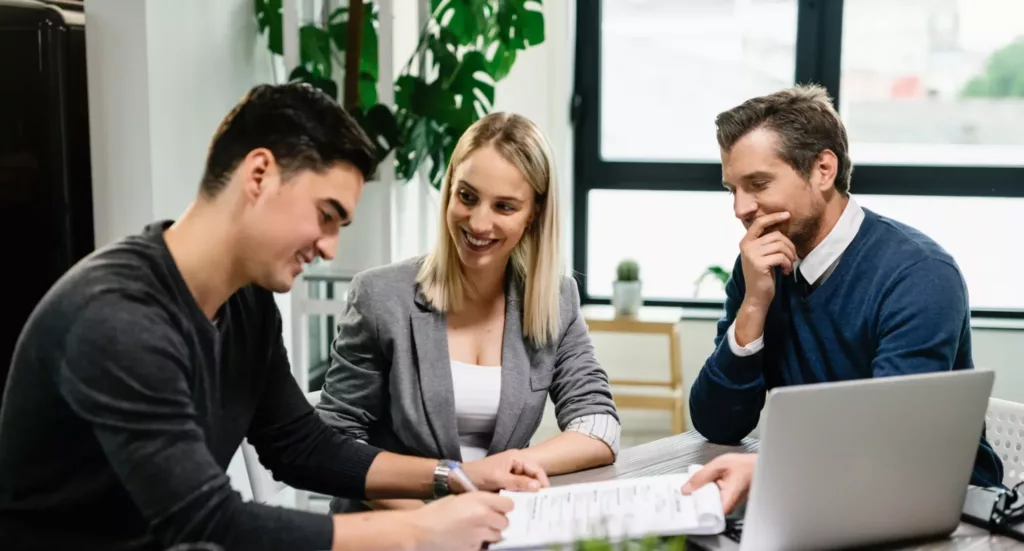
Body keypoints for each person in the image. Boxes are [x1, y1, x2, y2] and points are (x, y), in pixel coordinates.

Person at [0, 83, 548, 551]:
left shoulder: (246, 302)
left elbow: (299, 446)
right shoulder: (117, 317)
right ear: (259, 174)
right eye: (326, 216)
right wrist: (415, 530)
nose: (330, 248)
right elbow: (205, 518)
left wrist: (452, 477)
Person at [687, 84, 1003, 488]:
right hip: (821, 489)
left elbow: (892, 439)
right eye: (733, 190)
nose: (740, 209)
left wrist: (771, 471)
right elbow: (717, 424)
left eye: (759, 184)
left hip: (943, 501)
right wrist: (753, 307)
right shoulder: (759, 270)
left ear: (823, 170)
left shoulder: (919, 274)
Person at [315, 112, 620, 513]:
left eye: (505, 207)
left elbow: (598, 426)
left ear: (534, 215)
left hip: (496, 527)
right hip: (394, 525)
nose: (479, 222)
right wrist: (436, 516)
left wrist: (501, 469)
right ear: (449, 189)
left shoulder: (555, 300)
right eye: (467, 197)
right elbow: (334, 444)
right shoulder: (381, 296)